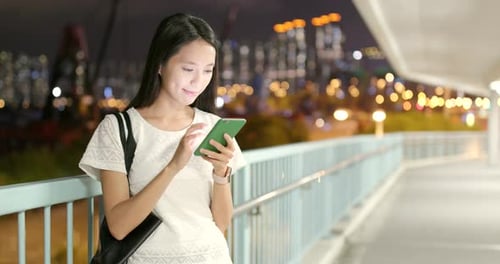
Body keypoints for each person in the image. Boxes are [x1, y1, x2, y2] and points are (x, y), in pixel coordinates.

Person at [79, 13, 246, 263]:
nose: (198, 81)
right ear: (160, 64)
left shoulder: (212, 126)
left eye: (207, 71)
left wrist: (221, 175)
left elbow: (221, 223)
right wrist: (173, 166)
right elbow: (119, 226)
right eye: (188, 69)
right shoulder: (119, 129)